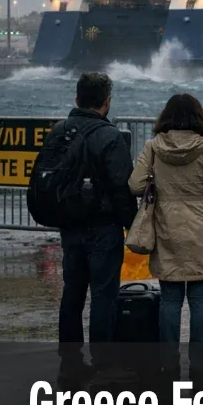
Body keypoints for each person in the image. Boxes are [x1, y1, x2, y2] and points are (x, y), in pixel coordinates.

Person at [129, 93, 203, 378]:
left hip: (167, 229)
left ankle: (169, 362)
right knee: (200, 299)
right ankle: (199, 363)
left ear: (166, 118)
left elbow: (135, 184)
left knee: (170, 300)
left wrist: (156, 183)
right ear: (200, 119)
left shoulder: (153, 148)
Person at [52, 72, 137, 379]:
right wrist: (132, 225)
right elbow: (122, 186)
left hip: (69, 225)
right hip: (103, 227)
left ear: (77, 99)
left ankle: (69, 357)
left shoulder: (59, 131)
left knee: (72, 291)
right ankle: (103, 361)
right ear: (107, 102)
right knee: (103, 295)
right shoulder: (110, 136)